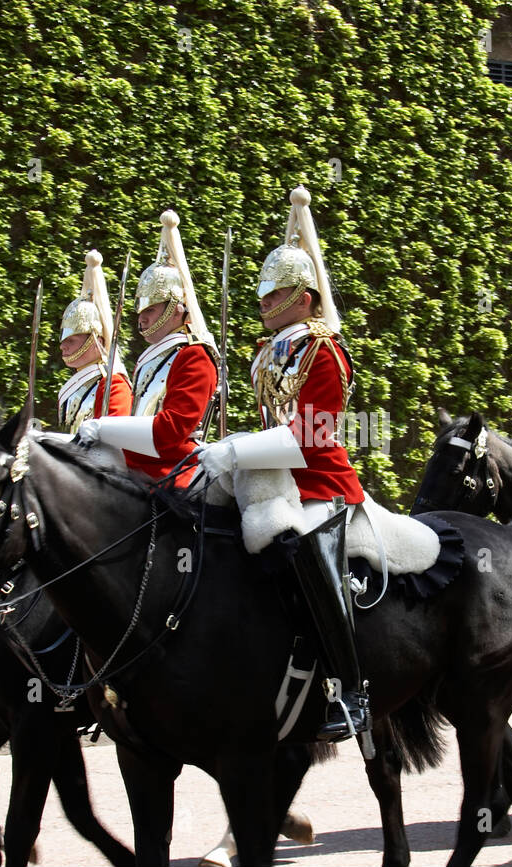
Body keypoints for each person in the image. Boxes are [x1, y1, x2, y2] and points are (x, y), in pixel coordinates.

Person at [200, 185, 369, 742]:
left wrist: (237, 448)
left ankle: (349, 690)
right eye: (263, 296)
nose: (264, 305)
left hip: (322, 482)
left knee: (309, 556)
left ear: (305, 296)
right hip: (274, 482)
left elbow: (311, 439)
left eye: (276, 297)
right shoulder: (268, 354)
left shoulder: (324, 351)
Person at [77, 211, 219, 489]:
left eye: (151, 310)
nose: (142, 318)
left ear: (177, 308)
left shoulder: (194, 355)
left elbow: (173, 430)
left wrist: (106, 428)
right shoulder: (155, 357)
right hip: (136, 470)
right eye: (141, 311)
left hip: (173, 475)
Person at [57, 250, 132, 435]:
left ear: (95, 341)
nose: (62, 346)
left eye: (71, 340)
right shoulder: (80, 380)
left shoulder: (112, 383)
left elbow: (115, 438)